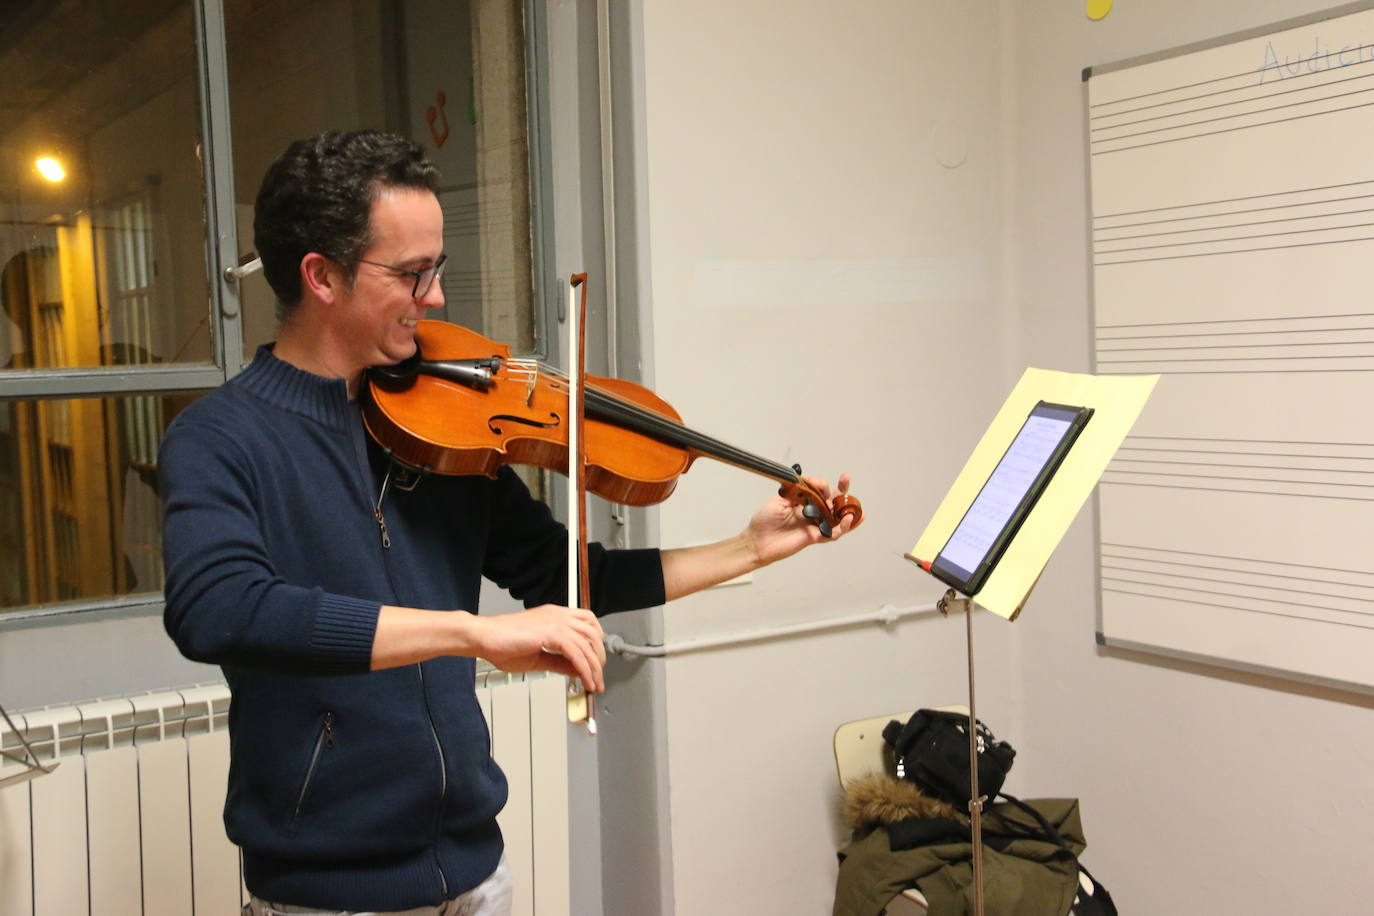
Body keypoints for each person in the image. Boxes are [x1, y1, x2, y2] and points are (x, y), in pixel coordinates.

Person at [159, 129, 859, 916]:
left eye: (438, 268)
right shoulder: (222, 437)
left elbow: (564, 575)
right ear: (322, 276)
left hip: (475, 874)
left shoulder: (443, 423)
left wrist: (745, 550)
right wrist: (471, 632)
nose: (437, 298)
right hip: (331, 893)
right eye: (412, 273)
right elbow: (217, 608)